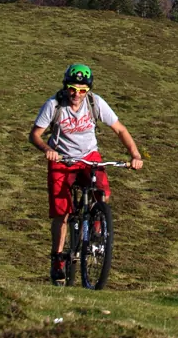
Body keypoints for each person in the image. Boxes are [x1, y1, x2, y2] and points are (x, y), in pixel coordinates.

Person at [29, 62, 144, 284]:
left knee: (101, 192)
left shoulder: (95, 103)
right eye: (73, 88)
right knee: (61, 212)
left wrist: (135, 156)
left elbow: (120, 129)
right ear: (65, 87)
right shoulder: (54, 106)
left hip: (89, 157)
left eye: (82, 90)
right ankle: (58, 260)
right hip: (62, 159)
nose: (77, 94)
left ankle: (97, 228)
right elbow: (35, 135)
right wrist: (48, 150)